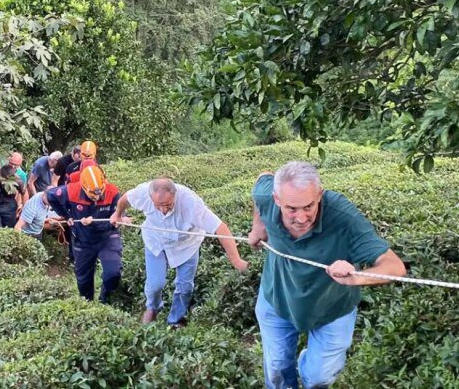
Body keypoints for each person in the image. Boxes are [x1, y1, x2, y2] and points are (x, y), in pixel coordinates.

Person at [248, 161, 406, 388]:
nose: (301, 218)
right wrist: (258, 225)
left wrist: (355, 277)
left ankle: (306, 366)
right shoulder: (267, 197)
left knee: (318, 379)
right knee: (277, 372)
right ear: (277, 199)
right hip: (277, 299)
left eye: (309, 207)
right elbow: (262, 177)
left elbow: (394, 266)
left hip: (332, 307)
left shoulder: (344, 217)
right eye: (291, 209)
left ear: (320, 195)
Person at [110, 178, 248, 327]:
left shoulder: (190, 203)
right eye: (158, 206)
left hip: (186, 245)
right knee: (155, 284)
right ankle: (152, 307)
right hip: (156, 241)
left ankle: (176, 319)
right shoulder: (143, 193)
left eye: (168, 205)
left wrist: (236, 260)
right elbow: (125, 199)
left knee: (185, 286)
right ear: (150, 198)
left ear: (175, 196)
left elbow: (220, 228)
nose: (163, 210)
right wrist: (118, 214)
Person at [45, 166, 126, 302]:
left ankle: (105, 300)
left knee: (113, 273)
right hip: (83, 239)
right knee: (83, 279)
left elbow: (118, 217)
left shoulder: (113, 192)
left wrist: (118, 218)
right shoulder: (71, 191)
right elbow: (50, 195)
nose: (97, 197)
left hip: (107, 237)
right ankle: (87, 303)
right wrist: (66, 215)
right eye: (92, 194)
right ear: (83, 187)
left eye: (100, 193)